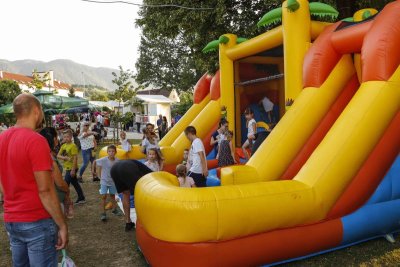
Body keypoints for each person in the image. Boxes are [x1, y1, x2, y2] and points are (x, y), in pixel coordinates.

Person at [0, 94, 68, 266]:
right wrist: (62, 224)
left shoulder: (1, 139)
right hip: (36, 220)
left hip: (12, 219)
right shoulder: (36, 141)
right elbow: (45, 190)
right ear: (37, 111)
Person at [110, 160, 153, 231]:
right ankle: (142, 223)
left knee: (125, 194)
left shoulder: (135, 163)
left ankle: (128, 222)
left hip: (114, 169)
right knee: (138, 194)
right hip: (127, 169)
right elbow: (152, 176)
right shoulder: (147, 170)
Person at [39, 127, 72, 211]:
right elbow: (60, 183)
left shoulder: (41, 154)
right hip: (55, 200)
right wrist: (67, 191)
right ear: (54, 139)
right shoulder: (50, 158)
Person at [92, 145, 122, 221]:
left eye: (113, 151)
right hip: (104, 181)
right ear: (107, 152)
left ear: (115, 152)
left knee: (112, 196)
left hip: (112, 182)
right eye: (109, 151)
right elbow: (95, 161)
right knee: (103, 196)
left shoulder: (117, 161)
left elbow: (119, 169)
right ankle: (103, 213)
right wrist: (94, 171)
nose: (111, 153)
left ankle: (114, 209)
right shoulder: (104, 160)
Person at [58, 129, 86, 204]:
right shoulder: (63, 146)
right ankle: (81, 197)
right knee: (75, 183)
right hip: (67, 168)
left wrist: (73, 170)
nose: (66, 138)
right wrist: (64, 158)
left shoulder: (73, 146)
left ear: (71, 137)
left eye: (67, 137)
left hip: (72, 168)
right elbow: (58, 155)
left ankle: (63, 200)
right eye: (64, 137)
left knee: (66, 184)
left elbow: (75, 158)